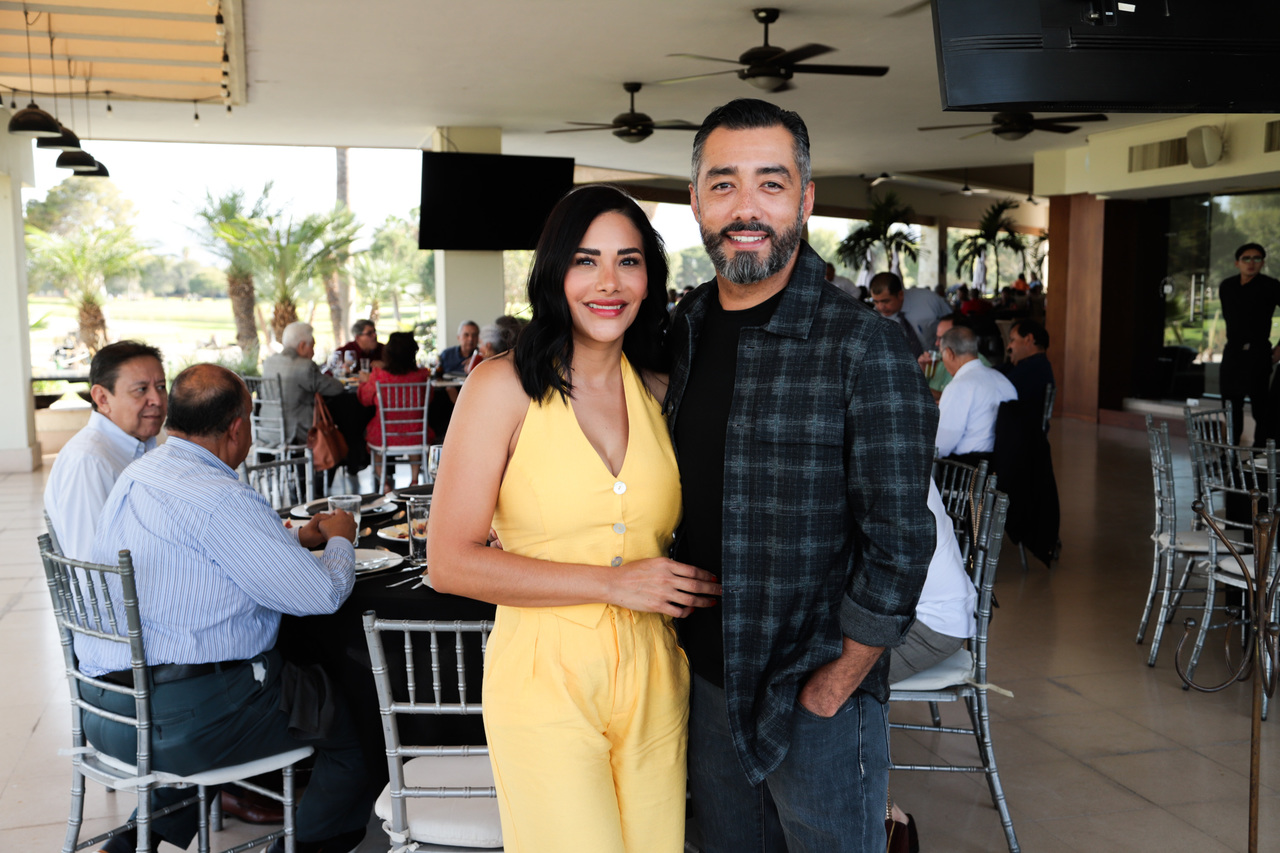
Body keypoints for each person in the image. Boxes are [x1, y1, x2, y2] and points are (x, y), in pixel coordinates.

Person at [669, 98, 936, 853]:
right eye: (723, 184)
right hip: (707, 680)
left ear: (806, 198)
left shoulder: (863, 345)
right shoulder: (684, 330)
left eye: (771, 183)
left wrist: (838, 681)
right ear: (696, 200)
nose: (745, 208)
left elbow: (900, 541)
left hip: (815, 689)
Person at [429, 185, 721, 853]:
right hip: (543, 678)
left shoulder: (663, 393)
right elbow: (448, 562)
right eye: (586, 260)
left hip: (656, 676)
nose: (608, 282)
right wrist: (613, 583)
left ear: (650, 278)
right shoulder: (501, 386)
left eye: (628, 261)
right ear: (554, 272)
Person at [78, 364, 373, 853]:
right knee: (355, 721)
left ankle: (132, 843)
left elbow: (202, 552)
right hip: (183, 721)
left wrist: (293, 538)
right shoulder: (221, 497)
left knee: (212, 692)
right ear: (237, 427)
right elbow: (321, 596)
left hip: (109, 712)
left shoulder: (139, 473)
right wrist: (341, 539)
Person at [44, 340, 166, 561]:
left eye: (161, 387)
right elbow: (93, 566)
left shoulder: (140, 447)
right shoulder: (90, 461)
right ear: (102, 398)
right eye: (141, 390)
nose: (157, 400)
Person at [1219, 243, 1280, 445]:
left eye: (1257, 258)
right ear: (1237, 263)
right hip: (1233, 352)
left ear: (1262, 263)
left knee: (1261, 407)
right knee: (1230, 405)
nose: (1251, 263)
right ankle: (1231, 453)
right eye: (1246, 258)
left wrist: (1279, 348)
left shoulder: (1271, 286)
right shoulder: (1227, 286)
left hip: (1258, 352)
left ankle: (1260, 453)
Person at [357, 331, 434, 488]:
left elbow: (365, 399)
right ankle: (414, 480)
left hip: (384, 435)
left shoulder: (379, 375)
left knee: (376, 450)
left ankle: (385, 485)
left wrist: (364, 382)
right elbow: (429, 397)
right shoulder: (422, 375)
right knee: (414, 435)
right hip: (417, 434)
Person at [935, 325, 1017, 461]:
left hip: (967, 468)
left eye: (941, 354)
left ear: (949, 353)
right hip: (1004, 465)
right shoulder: (1004, 381)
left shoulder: (959, 386)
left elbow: (941, 447)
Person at [261, 321, 346, 445]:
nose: (313, 352)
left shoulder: (269, 362)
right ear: (302, 346)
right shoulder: (305, 366)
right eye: (312, 346)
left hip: (267, 429)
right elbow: (337, 388)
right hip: (296, 432)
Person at [870, 270, 951, 352]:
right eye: (876, 302)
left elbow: (955, 324)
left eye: (886, 301)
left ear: (900, 295)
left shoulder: (930, 301)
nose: (880, 307)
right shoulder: (875, 318)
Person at [918, 314, 990, 401]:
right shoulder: (935, 358)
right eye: (937, 338)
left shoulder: (978, 365)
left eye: (942, 339)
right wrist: (920, 372)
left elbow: (964, 401)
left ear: (961, 337)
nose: (936, 343)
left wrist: (928, 393)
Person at [1000, 318, 1056, 410]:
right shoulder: (1034, 364)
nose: (1008, 347)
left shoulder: (1033, 370)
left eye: (1012, 340)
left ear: (1028, 339)